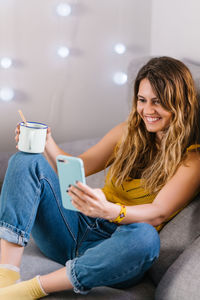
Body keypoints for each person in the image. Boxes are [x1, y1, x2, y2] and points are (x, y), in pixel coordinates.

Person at [0, 56, 200, 299]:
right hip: (76, 228)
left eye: (157, 102)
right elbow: (78, 165)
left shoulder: (192, 159)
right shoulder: (128, 131)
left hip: (118, 246)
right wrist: (46, 142)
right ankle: (6, 278)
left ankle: (29, 289)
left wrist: (109, 210)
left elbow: (159, 211)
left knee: (146, 238)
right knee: (25, 160)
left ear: (178, 103)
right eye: (142, 100)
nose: (147, 110)